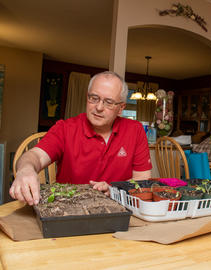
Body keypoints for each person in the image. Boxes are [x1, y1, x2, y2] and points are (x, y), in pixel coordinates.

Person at [9, 71, 152, 205]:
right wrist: (26, 169)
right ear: (87, 97)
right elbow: (36, 156)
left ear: (121, 108)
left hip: (118, 208)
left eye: (108, 102)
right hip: (69, 209)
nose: (99, 107)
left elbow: (142, 179)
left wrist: (115, 190)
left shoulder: (136, 130)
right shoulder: (65, 128)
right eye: (94, 98)